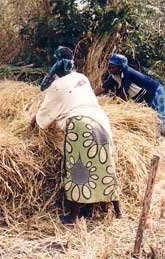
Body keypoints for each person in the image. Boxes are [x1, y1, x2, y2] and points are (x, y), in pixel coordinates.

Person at [31, 46, 121, 224]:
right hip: (101, 120)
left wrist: (32, 123)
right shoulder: (82, 78)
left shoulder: (56, 85)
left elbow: (44, 114)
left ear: (56, 64)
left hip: (80, 124)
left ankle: (73, 215)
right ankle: (118, 211)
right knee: (106, 165)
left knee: (78, 167)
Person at [95, 53, 165, 135]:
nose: (109, 69)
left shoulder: (127, 73)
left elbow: (123, 93)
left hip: (155, 91)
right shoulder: (114, 76)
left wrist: (121, 108)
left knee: (161, 115)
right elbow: (103, 88)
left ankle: (160, 135)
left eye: (112, 67)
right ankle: (156, 134)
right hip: (145, 97)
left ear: (120, 67)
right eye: (109, 67)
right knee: (153, 115)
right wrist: (89, 95)